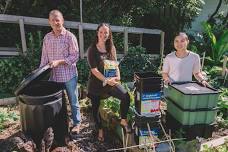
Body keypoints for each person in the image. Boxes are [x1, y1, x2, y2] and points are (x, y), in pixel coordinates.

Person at [87, 23, 131, 142]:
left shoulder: (111, 47)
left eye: (106, 32)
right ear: (97, 33)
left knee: (126, 96)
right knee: (95, 109)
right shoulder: (92, 49)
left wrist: (118, 77)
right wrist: (106, 80)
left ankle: (123, 120)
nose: (103, 35)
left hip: (111, 82)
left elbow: (116, 65)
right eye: (101, 32)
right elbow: (94, 70)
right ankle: (100, 129)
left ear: (109, 34)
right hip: (96, 84)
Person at [40, 10, 81, 134]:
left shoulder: (69, 36)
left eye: (57, 19)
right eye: (53, 20)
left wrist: (59, 62)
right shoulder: (47, 38)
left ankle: (77, 123)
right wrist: (40, 71)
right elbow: (44, 58)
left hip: (69, 75)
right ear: (49, 22)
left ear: (62, 21)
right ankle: (59, 123)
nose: (55, 22)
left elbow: (75, 56)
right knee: (56, 102)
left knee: (73, 101)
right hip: (54, 76)